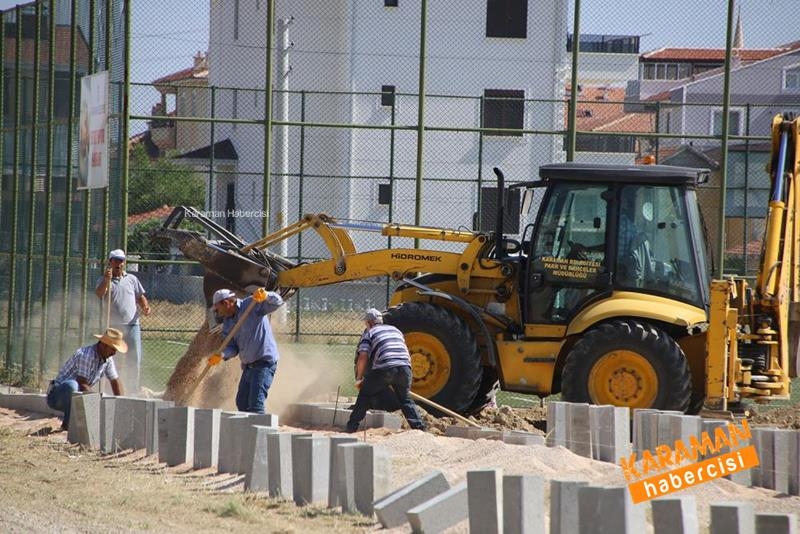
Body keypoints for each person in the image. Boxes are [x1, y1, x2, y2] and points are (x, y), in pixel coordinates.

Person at [346, 308, 426, 433]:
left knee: (365, 394)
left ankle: (351, 427)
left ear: (369, 322)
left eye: (366, 323)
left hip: (386, 368)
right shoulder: (395, 330)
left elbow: (363, 357)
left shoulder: (370, 333)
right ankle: (420, 429)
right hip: (405, 368)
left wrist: (359, 379)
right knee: (405, 399)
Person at [207, 287, 284, 414]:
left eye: (218, 308)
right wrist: (222, 354)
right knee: (242, 403)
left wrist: (266, 295)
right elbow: (233, 348)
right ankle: (247, 431)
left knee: (255, 404)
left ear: (226, 303)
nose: (218, 312)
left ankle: (261, 432)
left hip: (264, 363)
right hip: (248, 366)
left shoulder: (251, 305)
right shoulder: (228, 323)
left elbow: (277, 302)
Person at [46, 328, 127, 431]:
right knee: (72, 386)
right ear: (104, 345)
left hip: (74, 395)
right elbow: (82, 383)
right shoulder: (86, 355)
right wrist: (98, 403)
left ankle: (71, 424)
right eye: (113, 349)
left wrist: (122, 403)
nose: (114, 353)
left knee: (77, 390)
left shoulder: (108, 360)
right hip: (56, 397)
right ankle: (69, 424)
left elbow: (115, 381)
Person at [95, 249, 150, 394]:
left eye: (121, 260)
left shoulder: (132, 279)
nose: (118, 263)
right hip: (113, 327)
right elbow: (99, 294)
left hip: (132, 325)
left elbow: (140, 296)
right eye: (116, 260)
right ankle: (110, 389)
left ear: (124, 263)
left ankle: (133, 390)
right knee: (112, 360)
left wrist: (145, 306)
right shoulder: (103, 279)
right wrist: (107, 281)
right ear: (110, 262)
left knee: (134, 358)